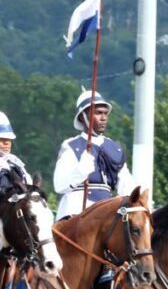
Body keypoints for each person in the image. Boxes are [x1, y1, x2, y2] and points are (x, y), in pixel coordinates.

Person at [53, 89, 133, 220]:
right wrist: (80, 172)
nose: (103, 118)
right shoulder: (71, 146)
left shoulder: (114, 148)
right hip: (76, 210)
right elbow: (59, 185)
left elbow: (126, 184)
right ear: (82, 117)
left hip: (107, 210)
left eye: (105, 114)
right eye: (98, 113)